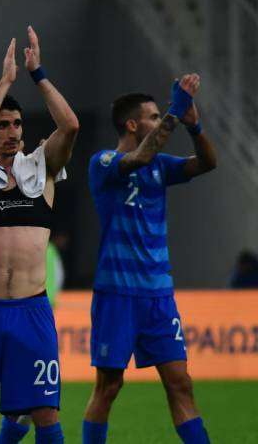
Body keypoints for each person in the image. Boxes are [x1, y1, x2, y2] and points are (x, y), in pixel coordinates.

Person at [0, 28, 79, 444]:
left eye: (17, 124)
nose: (11, 131)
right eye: (1, 124)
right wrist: (4, 82)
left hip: (31, 311)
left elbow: (71, 125)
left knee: (45, 414)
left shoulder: (42, 170)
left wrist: (37, 73)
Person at [81, 78, 218, 444]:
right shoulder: (104, 162)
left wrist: (194, 125)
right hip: (117, 295)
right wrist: (176, 110)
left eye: (160, 116)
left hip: (159, 297)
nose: (160, 122)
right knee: (109, 387)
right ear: (131, 124)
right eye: (153, 117)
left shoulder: (162, 166)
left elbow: (208, 162)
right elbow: (140, 156)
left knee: (180, 383)